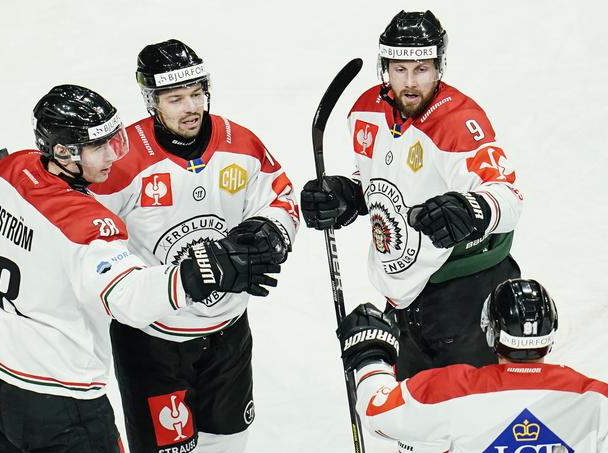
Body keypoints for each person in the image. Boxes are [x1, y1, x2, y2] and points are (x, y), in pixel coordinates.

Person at [0, 84, 278, 453]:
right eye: (98, 146)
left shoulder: (3, 173)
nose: (112, 155)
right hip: (60, 400)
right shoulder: (88, 223)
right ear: (62, 151)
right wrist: (204, 270)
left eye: (114, 140)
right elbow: (129, 300)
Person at [90, 39, 299, 453]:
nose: (191, 107)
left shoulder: (239, 142)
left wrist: (270, 230)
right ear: (152, 101)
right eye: (175, 98)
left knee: (229, 445)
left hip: (228, 334)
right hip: (151, 342)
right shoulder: (122, 160)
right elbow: (85, 233)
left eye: (197, 93)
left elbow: (281, 197)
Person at [301, 10, 524, 381]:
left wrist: (471, 208)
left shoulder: (459, 121)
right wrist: (350, 195)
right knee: (415, 421)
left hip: (465, 294)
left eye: (421, 69)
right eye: (399, 69)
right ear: (384, 67)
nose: (409, 82)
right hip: (402, 297)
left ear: (439, 67)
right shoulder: (364, 110)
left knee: (471, 418)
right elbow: (380, 175)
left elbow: (508, 195)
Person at [337, 278, 608, 452]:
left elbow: (376, 412)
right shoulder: (597, 399)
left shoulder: (450, 390)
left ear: (490, 332)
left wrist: (372, 354)